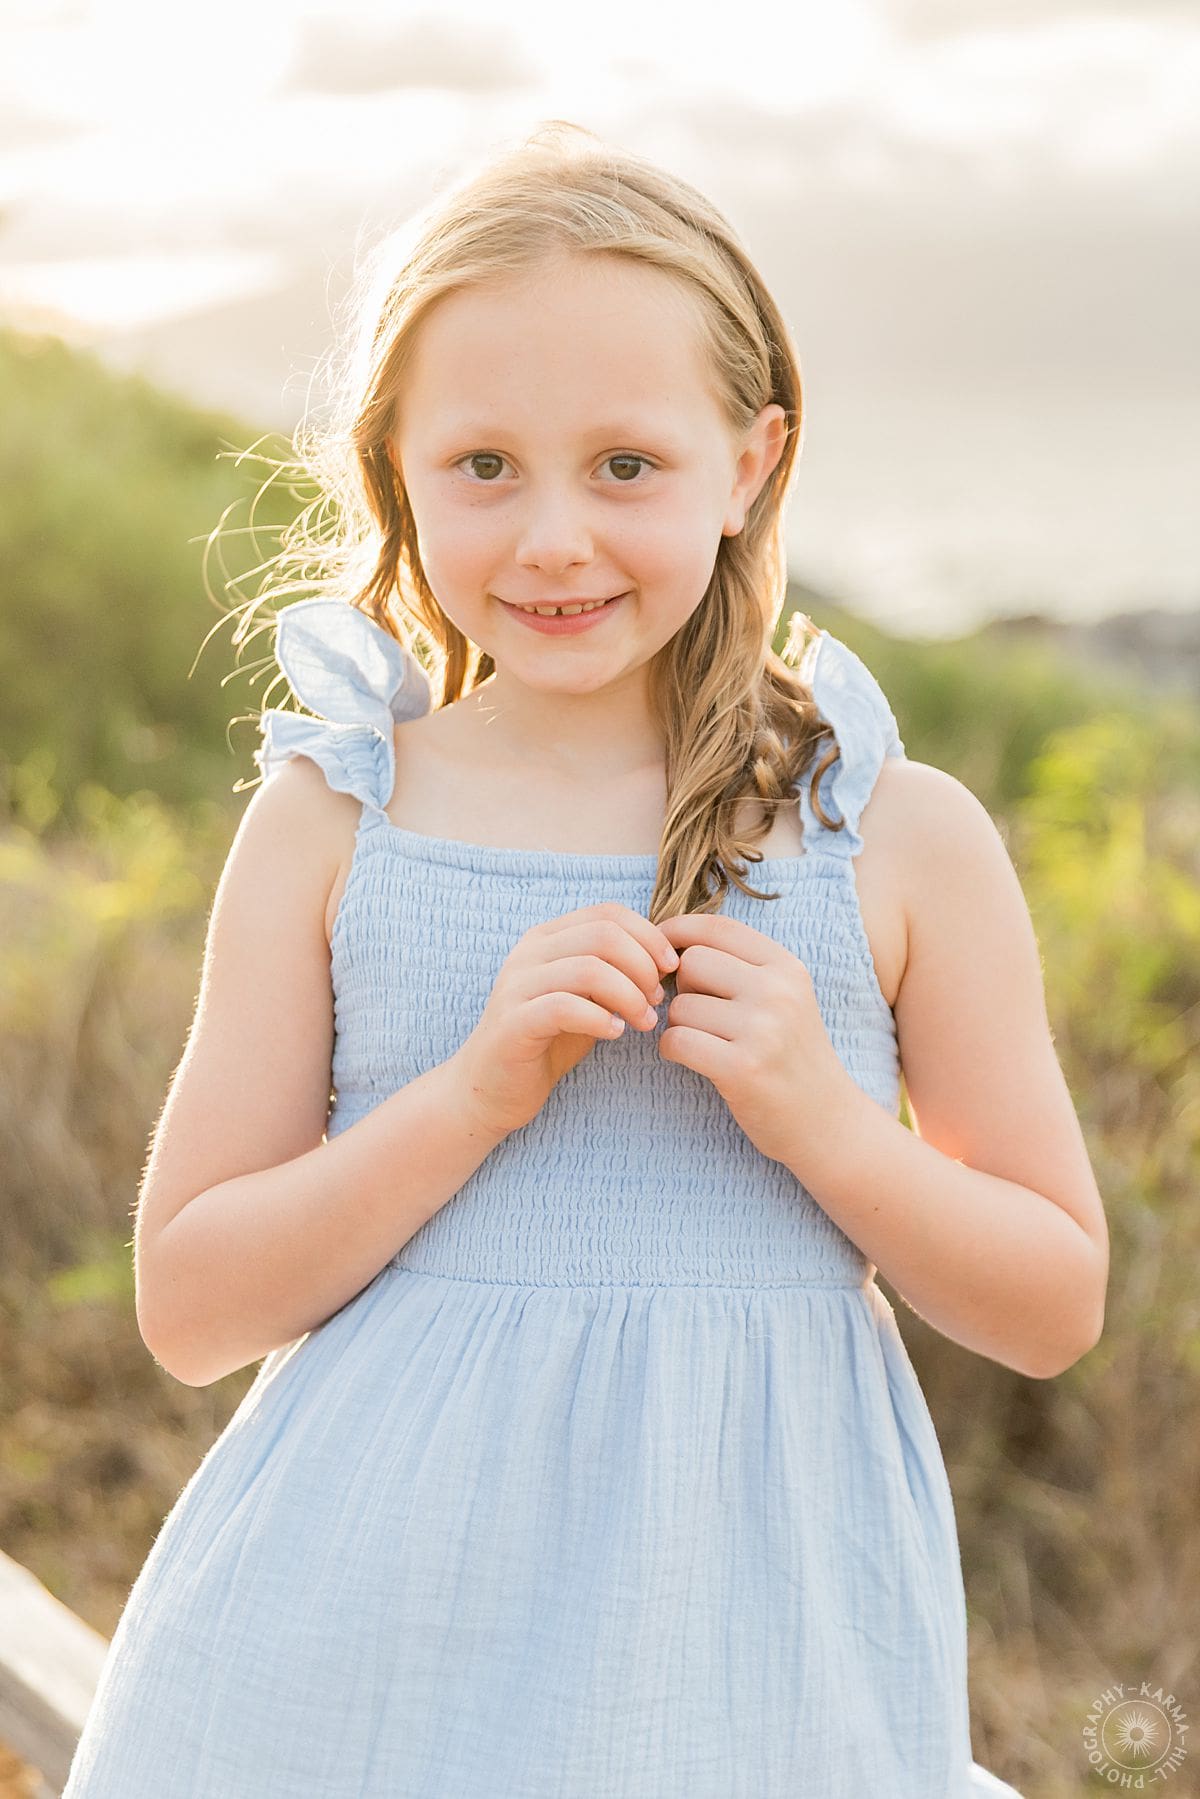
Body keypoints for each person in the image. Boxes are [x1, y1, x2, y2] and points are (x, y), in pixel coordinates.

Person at [62, 120, 1107, 1797]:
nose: (551, 538)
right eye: (483, 466)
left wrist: (825, 1125)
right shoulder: (340, 821)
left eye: (626, 465)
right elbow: (191, 1306)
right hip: (337, 1678)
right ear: (395, 463)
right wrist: (474, 1094)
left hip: (751, 1671)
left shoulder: (891, 837)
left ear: (753, 458)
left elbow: (1053, 1302)